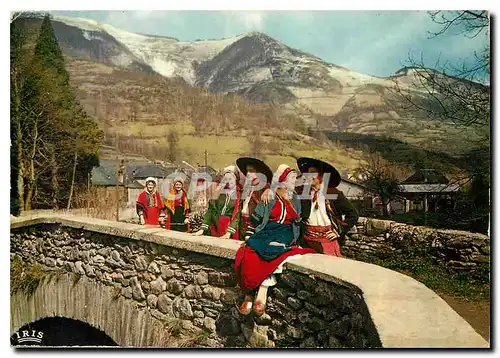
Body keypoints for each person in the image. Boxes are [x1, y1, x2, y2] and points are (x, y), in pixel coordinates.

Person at [234, 164, 315, 316]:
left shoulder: (296, 198)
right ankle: (249, 293)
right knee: (251, 250)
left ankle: (261, 294)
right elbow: (256, 220)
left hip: (286, 233)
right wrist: (249, 235)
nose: (293, 182)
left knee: (275, 251)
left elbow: (304, 215)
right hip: (267, 230)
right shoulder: (270, 196)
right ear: (282, 180)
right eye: (290, 179)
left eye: (294, 179)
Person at [296, 157, 359, 256]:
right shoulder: (302, 192)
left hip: (327, 241)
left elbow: (353, 214)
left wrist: (338, 230)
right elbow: (284, 190)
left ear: (322, 176)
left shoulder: (333, 193)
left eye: (313, 173)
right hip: (307, 240)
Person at [192, 165, 241, 240]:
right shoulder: (218, 193)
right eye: (226, 179)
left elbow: (237, 216)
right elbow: (210, 211)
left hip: (230, 229)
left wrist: (228, 233)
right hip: (215, 226)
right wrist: (202, 229)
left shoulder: (239, 195)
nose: (228, 181)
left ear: (235, 180)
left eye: (230, 179)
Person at [236, 157, 274, 241]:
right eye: (247, 171)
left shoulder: (264, 188)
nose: (248, 174)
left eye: (251, 171)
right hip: (242, 226)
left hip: (255, 228)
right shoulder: (247, 188)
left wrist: (269, 189)